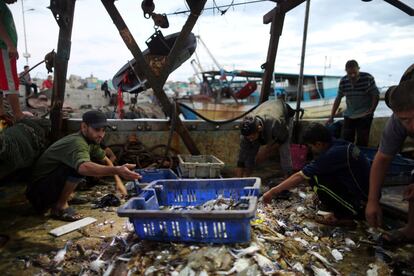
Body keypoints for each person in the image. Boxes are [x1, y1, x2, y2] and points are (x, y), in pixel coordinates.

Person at [26, 110, 141, 221]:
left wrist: (118, 181)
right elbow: (84, 168)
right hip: (38, 193)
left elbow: (105, 159)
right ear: (84, 127)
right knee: (79, 168)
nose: (101, 135)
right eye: (96, 130)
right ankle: (59, 207)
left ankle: (64, 197)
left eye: (103, 130)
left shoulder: (91, 141)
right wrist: (117, 170)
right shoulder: (78, 142)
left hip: (47, 185)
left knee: (86, 167)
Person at [263, 123, 370, 224]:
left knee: (315, 177)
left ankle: (345, 215)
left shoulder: (332, 155)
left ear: (319, 143)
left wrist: (272, 192)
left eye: (310, 147)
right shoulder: (338, 144)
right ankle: (340, 207)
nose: (311, 150)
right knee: (315, 173)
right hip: (365, 191)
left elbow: (300, 176)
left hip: (362, 201)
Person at [365, 64, 414, 243]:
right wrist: (372, 200)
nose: (411, 126)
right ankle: (411, 229)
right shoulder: (396, 123)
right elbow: (382, 159)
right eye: (405, 120)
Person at [235, 99, 293, 178]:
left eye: (252, 137)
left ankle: (288, 176)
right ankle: (247, 176)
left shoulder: (274, 123)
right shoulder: (246, 134)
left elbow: (283, 138)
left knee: (284, 149)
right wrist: (238, 180)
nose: (250, 139)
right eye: (248, 138)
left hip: (283, 112)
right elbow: (241, 159)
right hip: (266, 109)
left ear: (259, 128)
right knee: (250, 151)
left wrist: (266, 151)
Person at [327, 60, 379, 147]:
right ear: (346, 71)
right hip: (349, 114)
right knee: (346, 140)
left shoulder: (368, 78)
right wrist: (332, 116)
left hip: (364, 115)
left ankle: (361, 158)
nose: (352, 75)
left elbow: (375, 95)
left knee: (362, 141)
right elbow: (338, 99)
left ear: (358, 69)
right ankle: (348, 157)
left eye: (354, 72)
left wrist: (371, 110)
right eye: (349, 73)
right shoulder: (343, 81)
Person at [0, 0, 24, 120]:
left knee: (1, 82)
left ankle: (1, 111)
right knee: (11, 83)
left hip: (5, 47)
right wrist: (10, 44)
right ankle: (18, 114)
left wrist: (12, 45)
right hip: (3, 47)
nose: (16, 0)